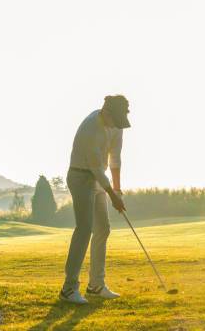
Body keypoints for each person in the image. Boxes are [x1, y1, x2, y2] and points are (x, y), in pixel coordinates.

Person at [59, 95, 130, 304]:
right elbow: (96, 168)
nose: (118, 125)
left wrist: (117, 190)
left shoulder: (117, 125)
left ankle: (96, 285)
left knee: (103, 228)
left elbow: (115, 158)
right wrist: (112, 196)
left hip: (99, 178)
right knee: (84, 229)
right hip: (81, 176)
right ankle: (69, 288)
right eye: (115, 120)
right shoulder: (91, 128)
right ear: (105, 112)